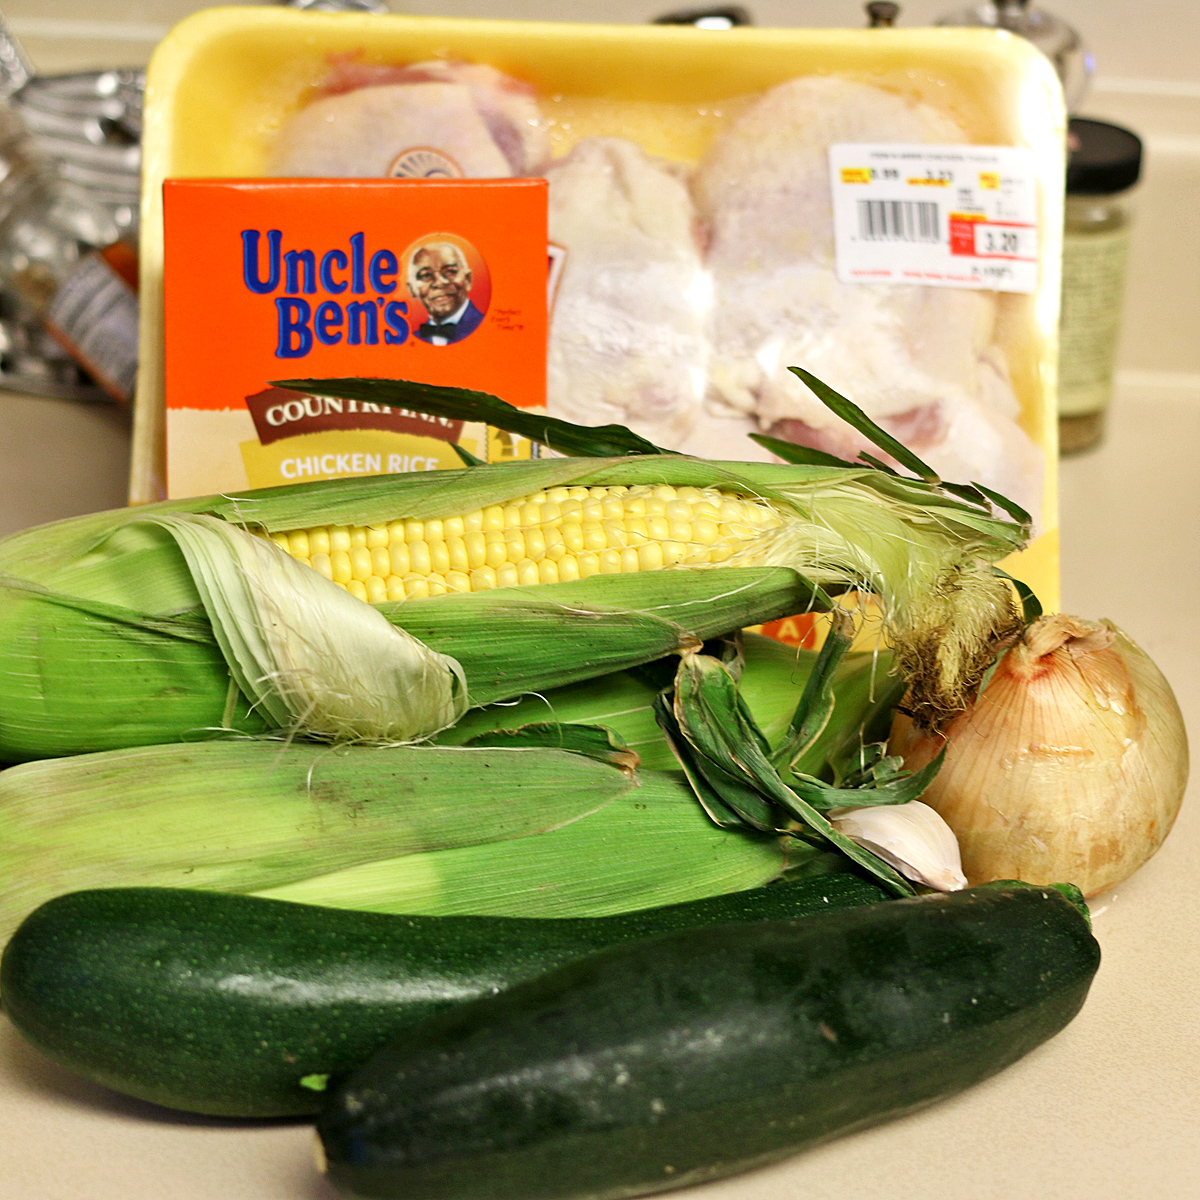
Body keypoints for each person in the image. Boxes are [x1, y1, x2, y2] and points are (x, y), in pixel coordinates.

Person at [408, 241, 485, 345]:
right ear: (412, 289)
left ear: (467, 279)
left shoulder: (485, 326)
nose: (439, 283)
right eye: (425, 275)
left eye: (450, 271)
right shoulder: (411, 338)